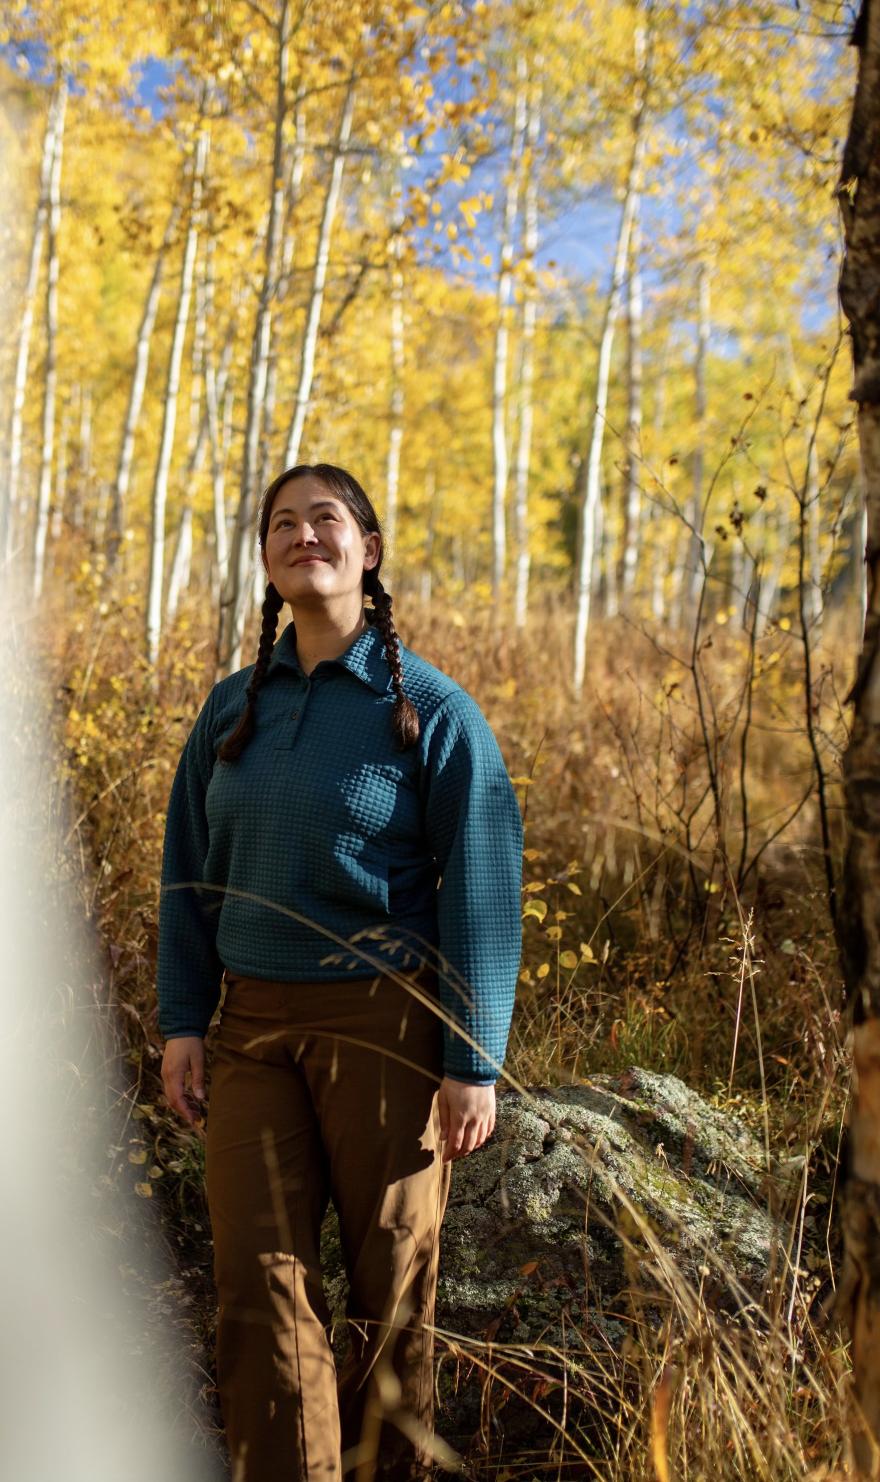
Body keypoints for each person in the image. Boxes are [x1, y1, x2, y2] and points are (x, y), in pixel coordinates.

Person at [157, 462, 523, 1482]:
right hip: (249, 1035)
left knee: (392, 1291)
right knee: (257, 1290)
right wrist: (182, 1021)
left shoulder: (436, 713)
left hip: (387, 1029)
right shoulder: (233, 710)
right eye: (282, 523)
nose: (303, 535)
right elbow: (187, 873)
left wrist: (471, 1058)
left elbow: (483, 890)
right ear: (266, 562)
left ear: (368, 551)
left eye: (327, 519)